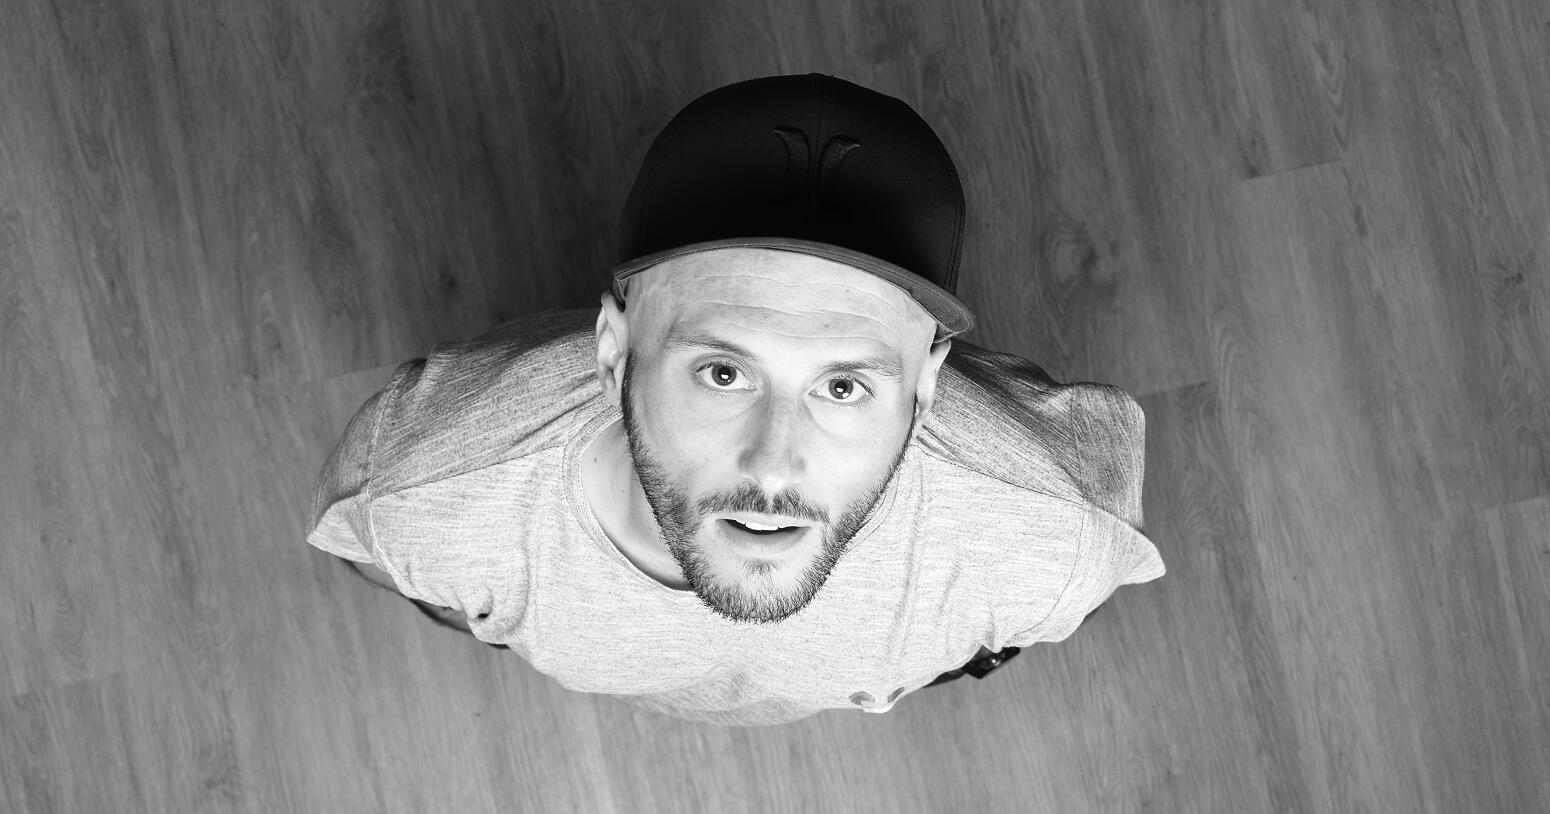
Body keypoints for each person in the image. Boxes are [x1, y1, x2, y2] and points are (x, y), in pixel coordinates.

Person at [306, 74, 1165, 726]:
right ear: (614, 355)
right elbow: (392, 565)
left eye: (842, 386)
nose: (773, 466)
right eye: (723, 373)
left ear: (926, 386)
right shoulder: (424, 493)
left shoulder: (1054, 530)